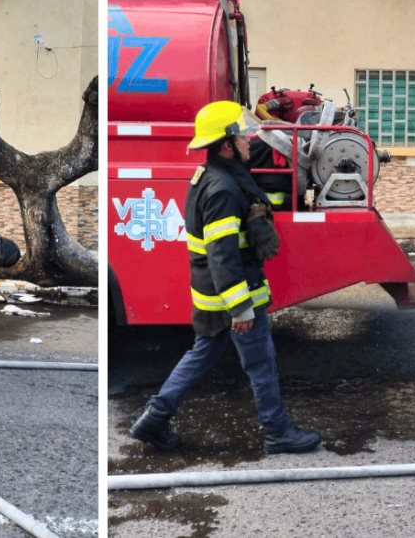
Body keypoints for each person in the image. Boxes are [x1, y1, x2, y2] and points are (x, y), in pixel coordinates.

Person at [130, 100, 322, 455]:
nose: (251, 140)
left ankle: (154, 418)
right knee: (261, 362)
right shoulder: (222, 189)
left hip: (212, 292)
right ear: (225, 145)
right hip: (233, 293)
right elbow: (223, 254)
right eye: (243, 136)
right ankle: (277, 431)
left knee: (202, 354)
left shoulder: (214, 176)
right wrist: (240, 309)